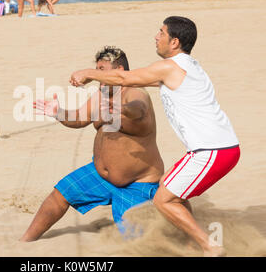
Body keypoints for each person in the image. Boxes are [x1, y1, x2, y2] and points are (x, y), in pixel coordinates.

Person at [69, 16, 240, 256]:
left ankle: (210, 246)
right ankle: (193, 240)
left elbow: (123, 78)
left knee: (163, 200)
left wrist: (88, 73)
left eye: (161, 33)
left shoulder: (170, 67)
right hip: (214, 149)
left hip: (213, 151)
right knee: (168, 185)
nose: (156, 37)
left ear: (174, 42)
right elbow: (129, 81)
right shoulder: (186, 65)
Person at [20, 46, 164, 242]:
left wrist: (123, 109)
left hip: (136, 183)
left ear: (119, 71)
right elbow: (79, 118)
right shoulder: (102, 94)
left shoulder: (135, 92)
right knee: (60, 194)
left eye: (101, 70)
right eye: (96, 69)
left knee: (137, 241)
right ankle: (25, 241)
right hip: (100, 175)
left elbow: (139, 109)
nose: (97, 75)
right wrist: (58, 112)